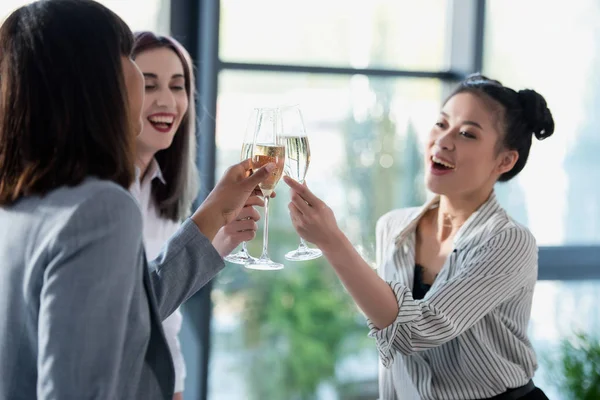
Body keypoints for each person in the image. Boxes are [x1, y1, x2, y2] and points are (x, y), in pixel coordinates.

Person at [0, 1, 273, 399]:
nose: (160, 98)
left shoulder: (22, 201)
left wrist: (214, 213)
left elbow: (128, 315)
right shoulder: (100, 209)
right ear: (93, 83)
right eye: (126, 57)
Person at [284, 74, 553, 399]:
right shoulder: (393, 227)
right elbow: (393, 356)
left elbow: (418, 329)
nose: (444, 140)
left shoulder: (509, 242)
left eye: (467, 133)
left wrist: (331, 241)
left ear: (505, 160)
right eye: (441, 124)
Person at [130, 31, 262, 400]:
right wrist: (213, 213)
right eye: (148, 85)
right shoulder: (101, 196)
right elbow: (134, 311)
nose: (167, 101)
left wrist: (176, 387)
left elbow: (164, 315)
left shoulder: (162, 189)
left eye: (178, 86)